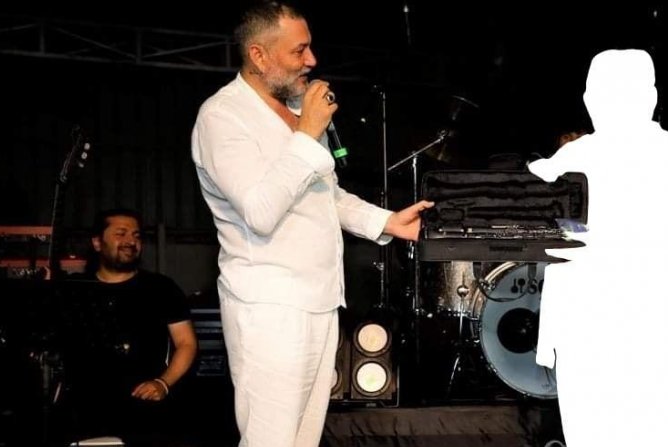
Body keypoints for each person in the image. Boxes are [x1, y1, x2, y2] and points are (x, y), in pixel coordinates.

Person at [190, 2, 433, 446]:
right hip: (269, 306)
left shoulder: (297, 112)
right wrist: (307, 133)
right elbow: (260, 212)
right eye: (298, 50)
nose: (312, 61)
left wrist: (388, 222)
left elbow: (326, 197)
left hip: (320, 300)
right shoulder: (222, 117)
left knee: (304, 440)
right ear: (259, 55)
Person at [528, 49, 668, 446]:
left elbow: (537, 224)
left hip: (591, 334)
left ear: (589, 100)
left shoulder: (572, 158)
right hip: (661, 333)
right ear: (651, 97)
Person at [58, 208, 198, 446]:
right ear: (97, 242)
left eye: (136, 235)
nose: (131, 241)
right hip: (85, 409)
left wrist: (163, 384)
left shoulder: (161, 288)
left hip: (144, 407)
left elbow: (186, 343)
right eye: (120, 234)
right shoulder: (72, 290)